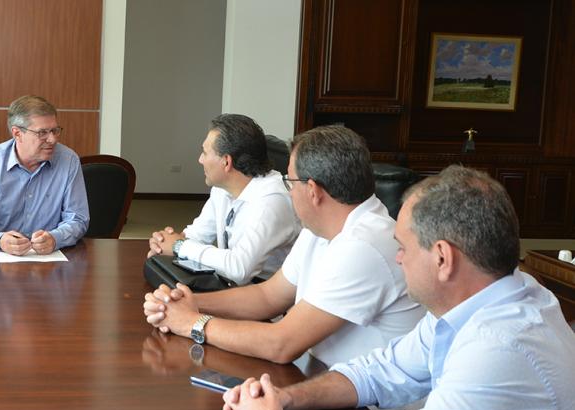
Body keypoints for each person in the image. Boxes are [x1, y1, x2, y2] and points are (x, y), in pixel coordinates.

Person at [222, 165, 575, 410]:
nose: (399, 258)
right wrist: (286, 401)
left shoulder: (502, 346)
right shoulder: (490, 296)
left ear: (443, 258)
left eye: (403, 246)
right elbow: (380, 372)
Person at [143, 125, 423, 366]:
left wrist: (191, 323)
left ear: (312, 191)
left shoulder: (363, 245)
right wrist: (190, 303)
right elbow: (268, 297)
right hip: (322, 376)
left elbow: (282, 344)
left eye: (289, 182)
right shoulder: (322, 227)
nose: (287, 192)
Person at [147, 114, 300, 285]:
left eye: (205, 152)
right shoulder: (222, 190)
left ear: (226, 162)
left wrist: (179, 246)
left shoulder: (272, 200)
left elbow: (239, 269)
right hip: (230, 285)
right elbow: (198, 234)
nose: (200, 159)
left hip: (267, 297)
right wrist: (166, 242)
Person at [0, 95, 89, 255]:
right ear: (17, 133)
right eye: (42, 133)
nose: (52, 139)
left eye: (55, 130)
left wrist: (55, 238)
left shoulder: (68, 160)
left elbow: (78, 219)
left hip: (49, 260)